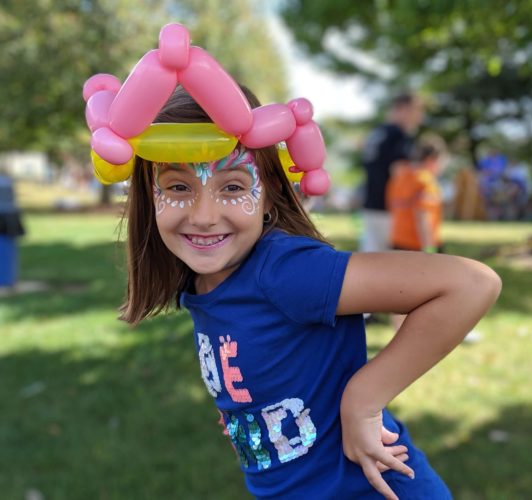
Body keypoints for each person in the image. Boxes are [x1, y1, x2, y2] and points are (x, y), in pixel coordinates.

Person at [85, 25, 502, 500]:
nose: (203, 215)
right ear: (149, 196)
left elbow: (471, 284)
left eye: (234, 187)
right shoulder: (204, 282)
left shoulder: (286, 271)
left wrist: (363, 400)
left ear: (269, 198)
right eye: (178, 187)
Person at [360, 94, 424, 252]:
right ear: (403, 109)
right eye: (416, 111)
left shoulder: (377, 132)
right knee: (387, 260)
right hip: (390, 205)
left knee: (370, 253)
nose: (419, 117)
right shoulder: (398, 134)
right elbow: (399, 170)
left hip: (371, 201)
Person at [386, 135, 447, 253]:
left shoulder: (399, 177)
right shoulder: (426, 181)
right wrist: (430, 249)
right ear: (431, 159)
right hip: (418, 246)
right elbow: (422, 217)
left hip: (397, 242)